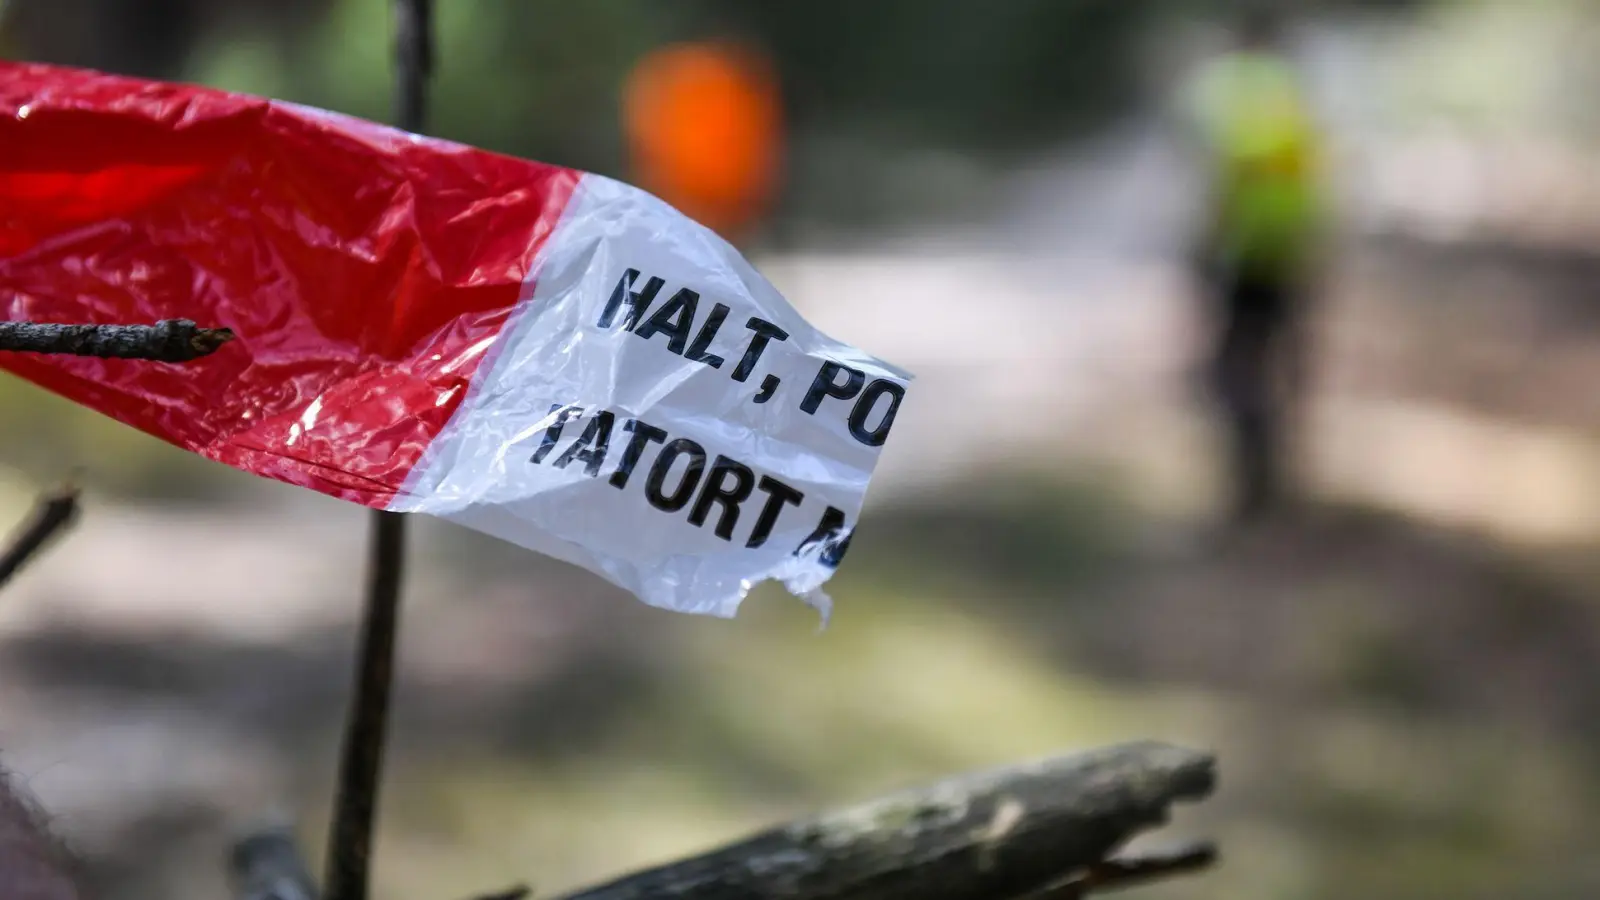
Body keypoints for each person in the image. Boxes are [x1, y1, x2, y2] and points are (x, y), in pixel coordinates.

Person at [1182, 9, 1327, 524]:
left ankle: (1247, 483)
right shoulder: (1296, 89)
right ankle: (1276, 478)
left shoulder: (1227, 89)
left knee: (1235, 367)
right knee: (1282, 364)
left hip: (1244, 253)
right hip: (1292, 249)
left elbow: (1223, 177)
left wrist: (1204, 245)